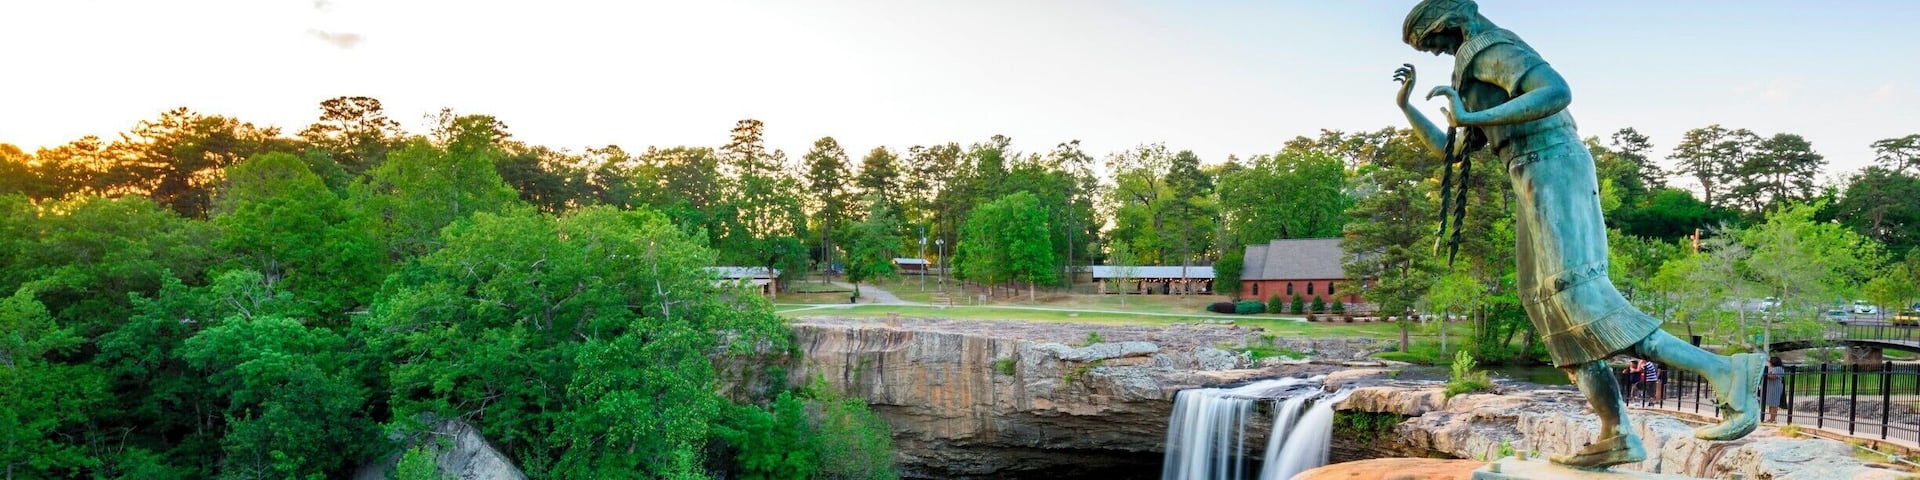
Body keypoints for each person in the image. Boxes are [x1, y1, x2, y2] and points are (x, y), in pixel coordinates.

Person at [1392, 0, 1765, 469]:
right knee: (1549, 305)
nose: (1436, 52)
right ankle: (1615, 432)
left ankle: (1726, 371)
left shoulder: (1491, 46)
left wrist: (1473, 117)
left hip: (1552, 165)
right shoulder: (1474, 62)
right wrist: (1407, 107)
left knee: (1581, 295)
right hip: (1529, 175)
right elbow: (1454, 148)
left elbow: (1556, 91)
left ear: (1451, 23)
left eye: (1434, 42)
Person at [1764, 357, 1786, 423]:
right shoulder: (1771, 368)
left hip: (1775, 389)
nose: (1768, 363)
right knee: (1771, 403)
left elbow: (1773, 377)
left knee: (1774, 404)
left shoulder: (1779, 369)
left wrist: (1765, 374)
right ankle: (1771, 418)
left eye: (1769, 361)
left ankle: (1773, 419)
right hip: (1770, 388)